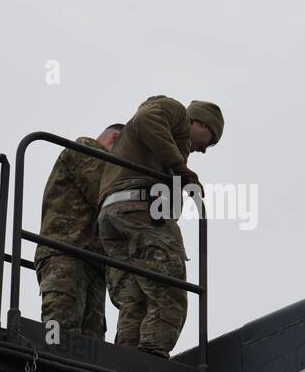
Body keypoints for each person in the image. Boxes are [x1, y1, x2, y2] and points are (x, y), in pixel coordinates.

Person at [97, 97, 223, 357]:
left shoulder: (165, 145)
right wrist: (181, 170)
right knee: (170, 292)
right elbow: (146, 119)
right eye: (210, 139)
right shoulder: (174, 111)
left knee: (136, 299)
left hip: (114, 216)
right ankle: (150, 361)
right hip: (141, 210)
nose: (205, 149)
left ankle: (127, 361)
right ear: (199, 121)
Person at [35, 124, 124, 338]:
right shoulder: (85, 150)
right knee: (60, 330)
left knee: (91, 342)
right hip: (65, 254)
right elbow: (105, 196)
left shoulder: (106, 167)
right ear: (116, 138)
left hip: (93, 262)